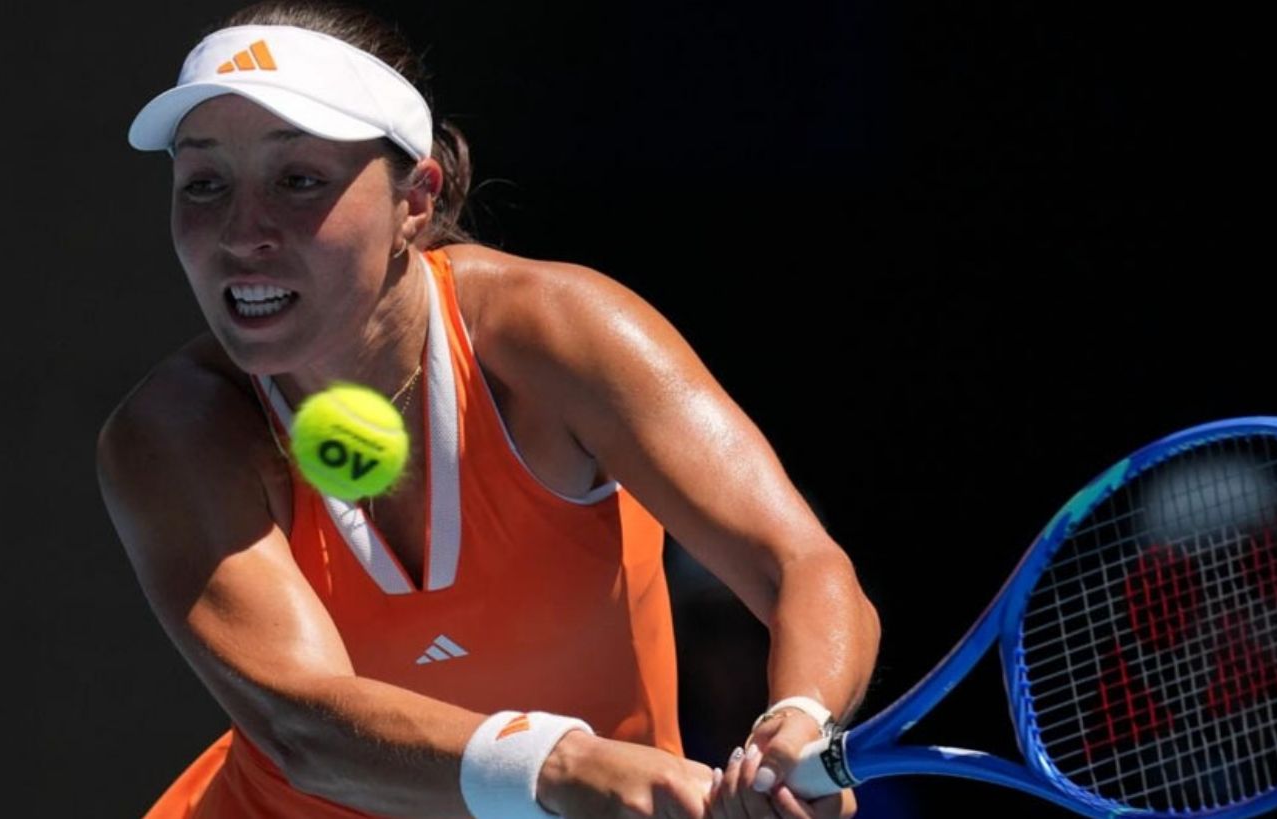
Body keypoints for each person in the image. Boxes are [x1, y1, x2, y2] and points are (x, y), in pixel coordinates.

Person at [97, 2, 881, 817]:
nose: (241, 232)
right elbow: (304, 726)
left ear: (415, 199)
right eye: (205, 184)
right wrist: (565, 765)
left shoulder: (559, 336)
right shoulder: (176, 431)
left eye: (298, 180)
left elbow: (802, 565)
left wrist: (800, 722)